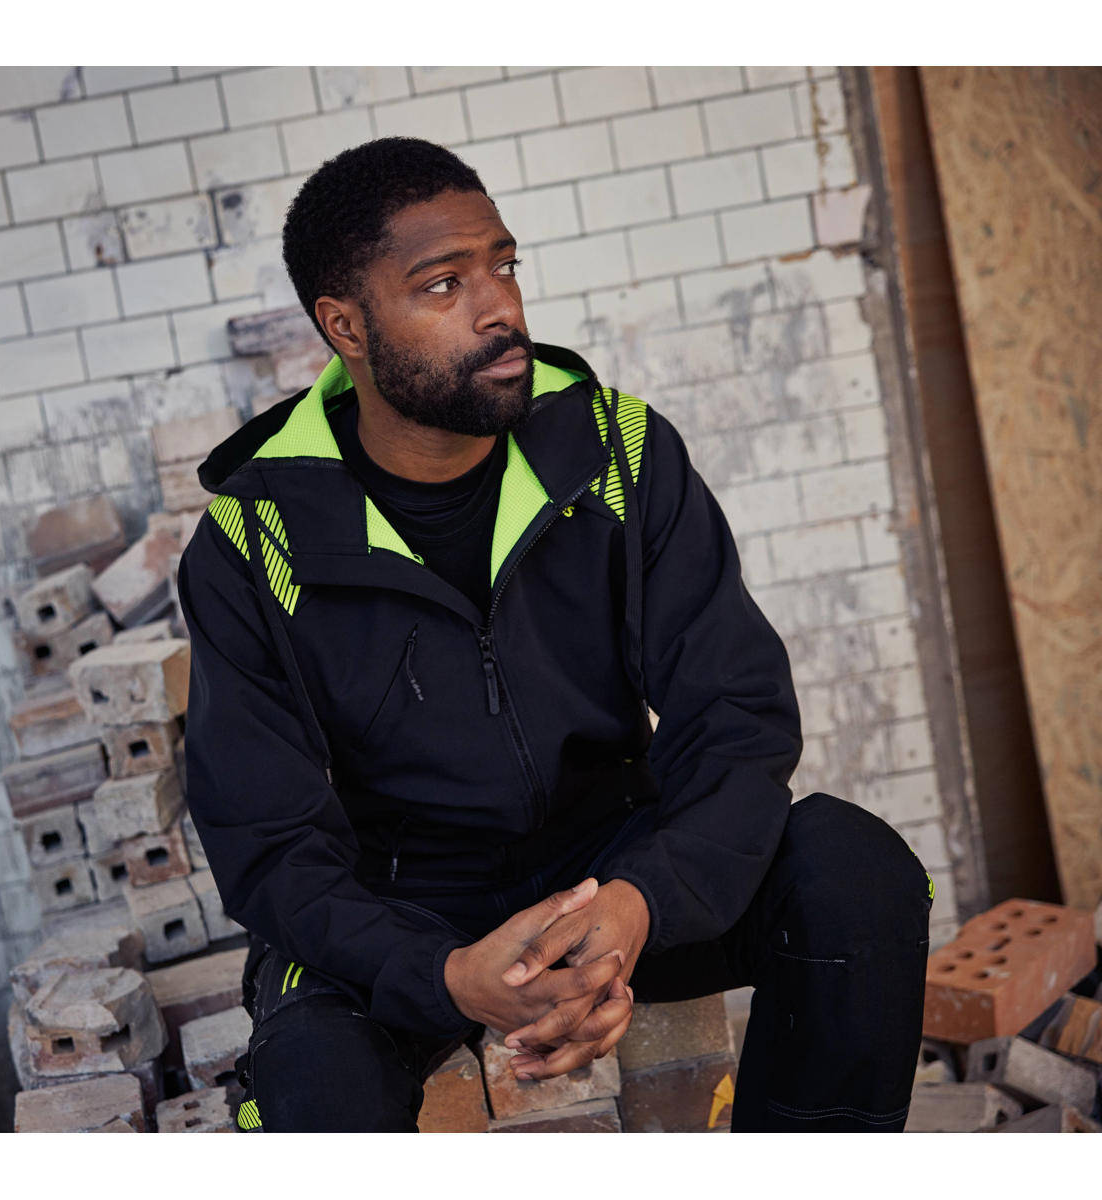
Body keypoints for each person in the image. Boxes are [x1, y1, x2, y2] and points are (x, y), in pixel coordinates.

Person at [175, 137, 934, 1133]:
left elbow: (736, 714)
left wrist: (639, 901)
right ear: (345, 326)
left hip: (610, 865)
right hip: (403, 911)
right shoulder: (252, 538)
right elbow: (269, 842)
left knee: (855, 872)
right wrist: (443, 974)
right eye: (443, 284)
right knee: (311, 1081)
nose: (498, 307)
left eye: (504, 265)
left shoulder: (617, 449)